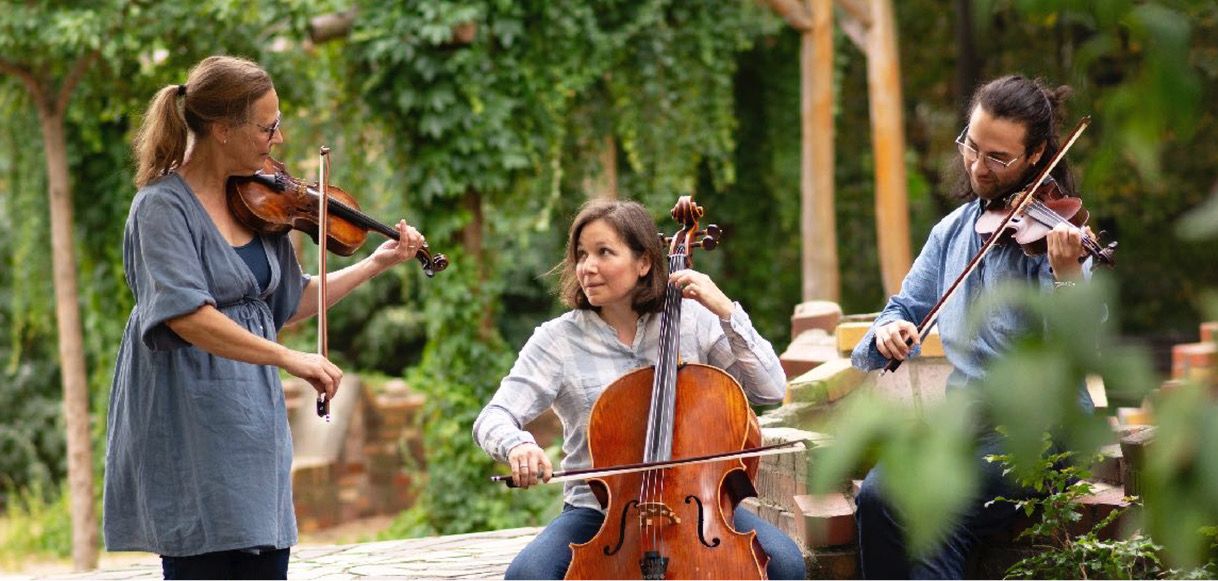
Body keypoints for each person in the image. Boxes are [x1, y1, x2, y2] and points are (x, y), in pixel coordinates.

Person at [103, 55, 427, 580]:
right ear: (223, 129)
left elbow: (288, 301)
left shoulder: (259, 200)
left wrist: (376, 262)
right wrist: (290, 359)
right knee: (204, 557)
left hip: (251, 409)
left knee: (266, 557)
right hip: (187, 404)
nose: (278, 139)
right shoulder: (160, 207)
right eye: (266, 127)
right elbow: (187, 317)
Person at [472, 199, 806, 580]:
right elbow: (493, 417)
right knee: (527, 575)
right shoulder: (557, 340)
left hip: (699, 507)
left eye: (604, 252)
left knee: (785, 563)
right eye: (581, 255)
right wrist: (518, 445)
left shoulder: (693, 319)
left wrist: (726, 310)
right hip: (600, 514)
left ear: (644, 262)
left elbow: (771, 389)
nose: (587, 267)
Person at [850, 75, 1097, 579]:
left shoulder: (1058, 239)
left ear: (1036, 155)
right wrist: (888, 331)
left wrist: (1066, 277)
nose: (978, 167)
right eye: (972, 146)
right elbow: (902, 308)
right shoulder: (952, 231)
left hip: (1041, 435)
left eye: (998, 158)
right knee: (876, 495)